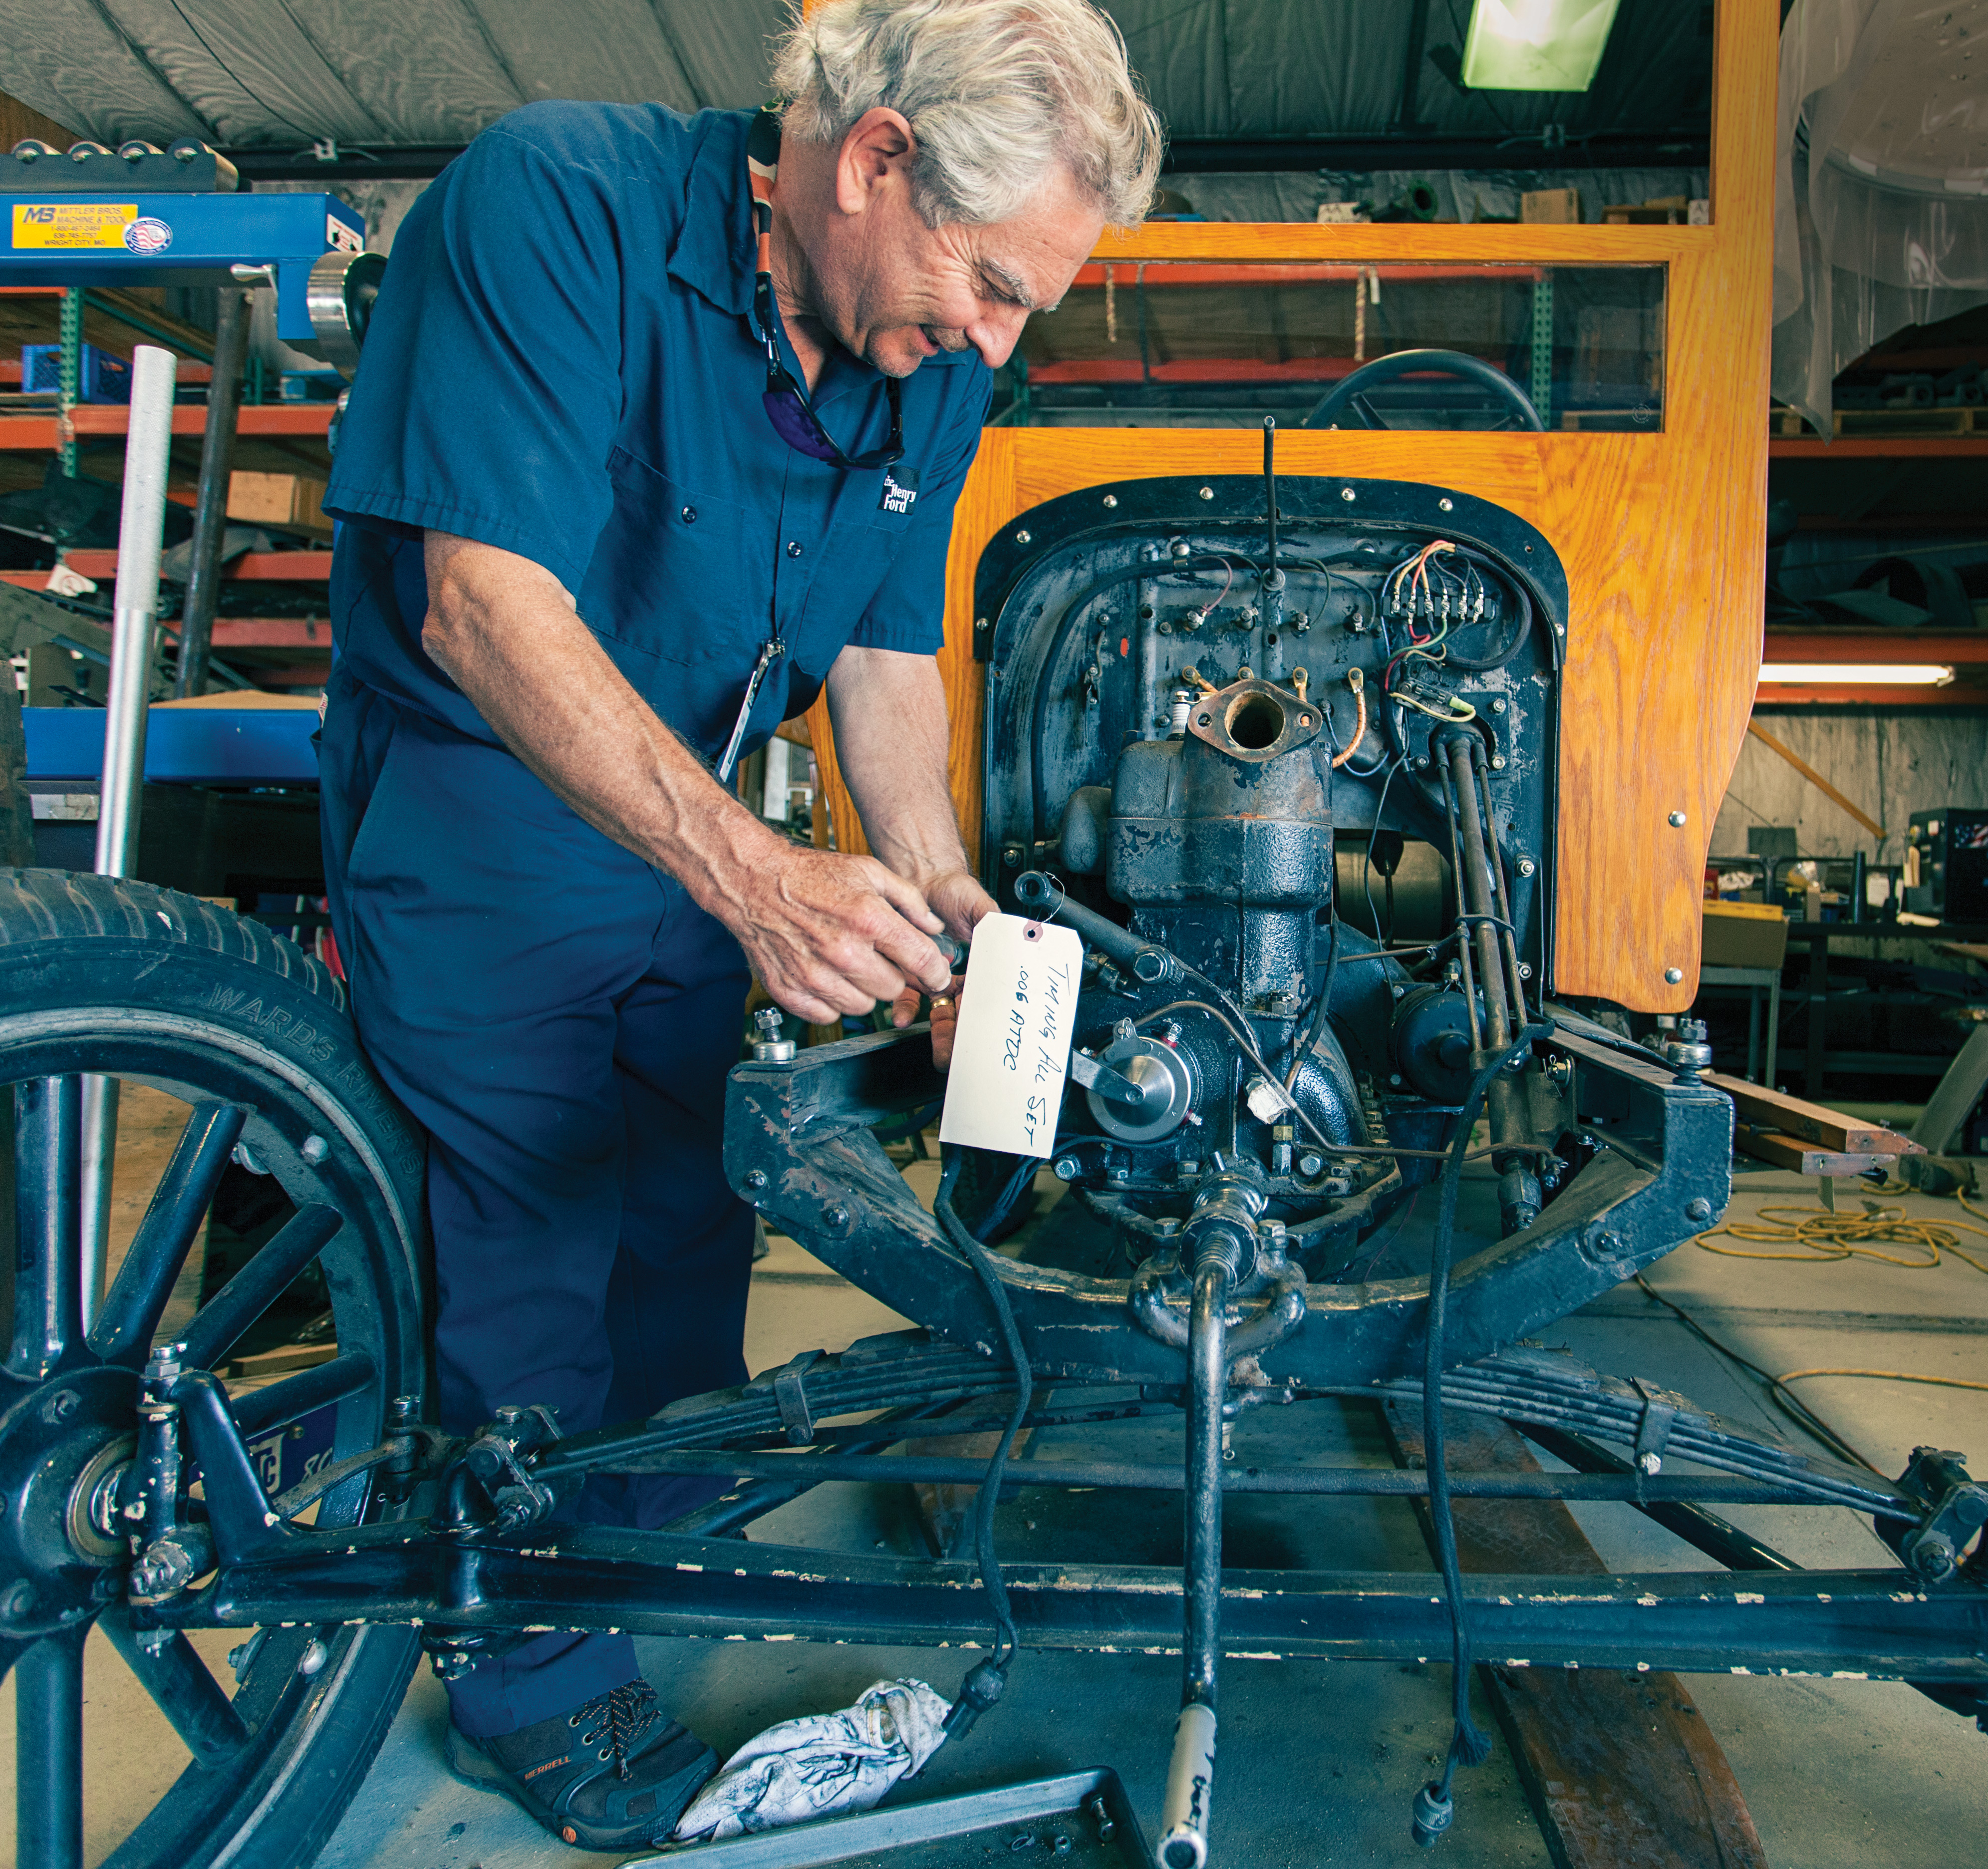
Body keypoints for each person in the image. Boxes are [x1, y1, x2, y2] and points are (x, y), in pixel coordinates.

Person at [315, 0, 1159, 1848]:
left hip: (691, 815)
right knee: (531, 1230)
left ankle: (634, 1539)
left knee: (694, 1206)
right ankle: (530, 1670)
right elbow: (480, 607)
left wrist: (941, 894)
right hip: (480, 800)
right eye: (993, 285)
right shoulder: (558, 206)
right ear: (874, 162)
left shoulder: (921, 356)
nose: (999, 342)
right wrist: (756, 875)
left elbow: (882, 653)